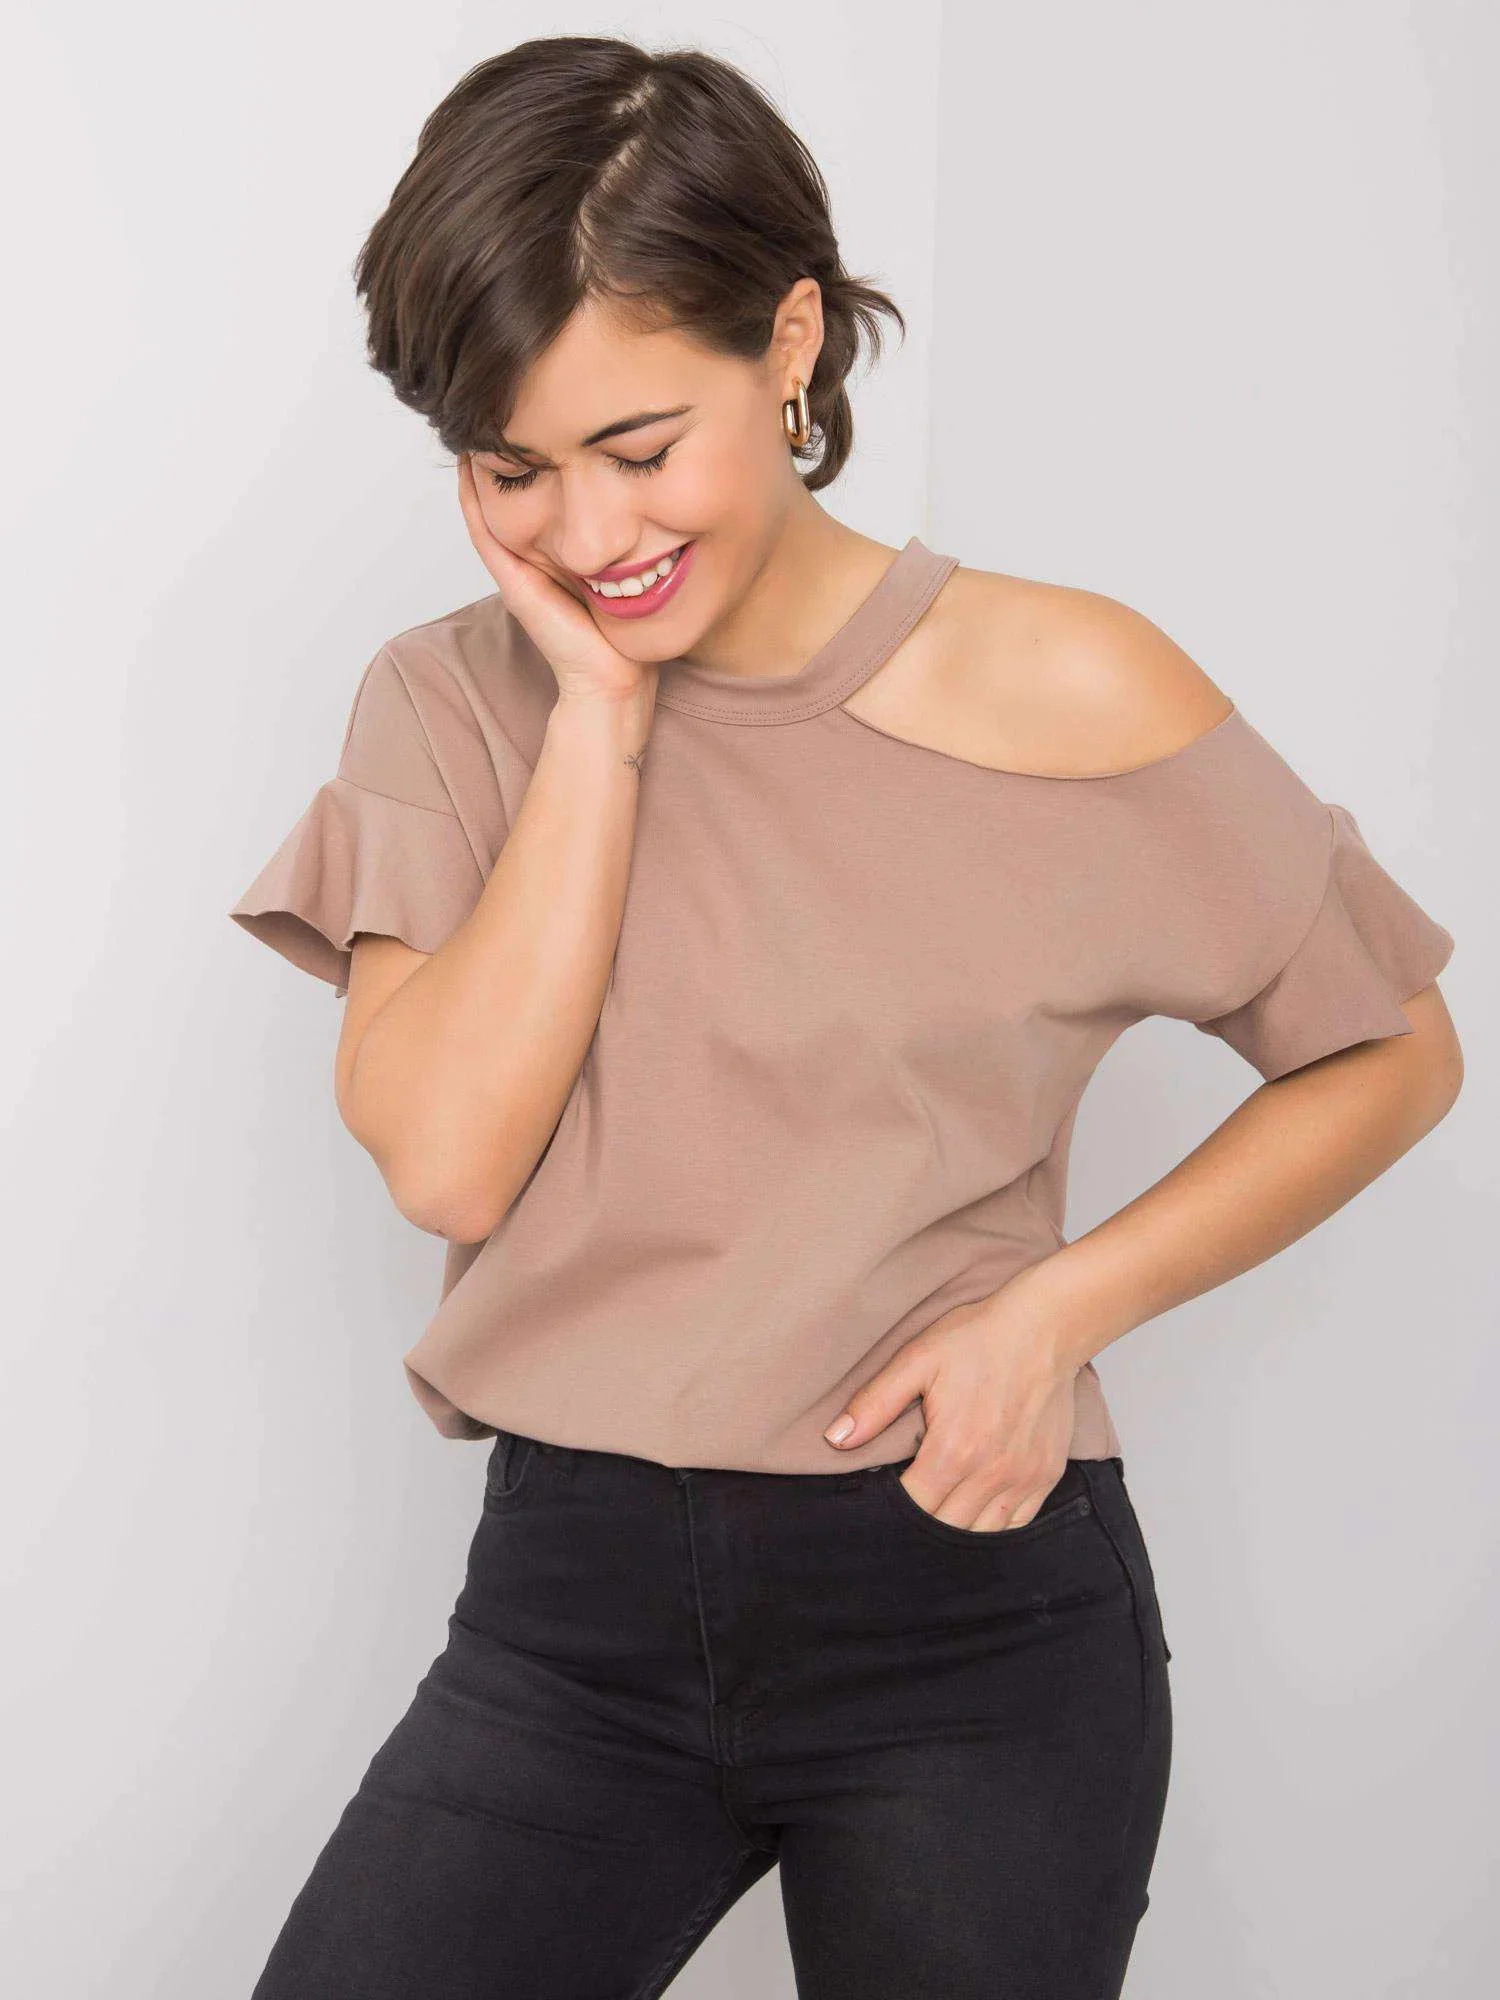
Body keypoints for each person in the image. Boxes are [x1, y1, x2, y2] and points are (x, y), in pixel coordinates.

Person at [227, 36, 1462, 2000]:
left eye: (641, 449)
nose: (586, 535)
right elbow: (450, 1161)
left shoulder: (1069, 683)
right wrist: (603, 719)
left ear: (789, 342)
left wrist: (1059, 1310)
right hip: (568, 1624)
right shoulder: (453, 702)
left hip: (967, 1616)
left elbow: (1393, 1048)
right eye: (515, 472)